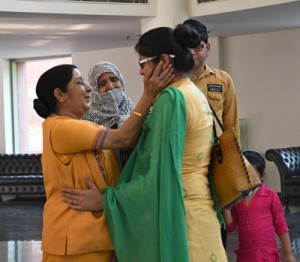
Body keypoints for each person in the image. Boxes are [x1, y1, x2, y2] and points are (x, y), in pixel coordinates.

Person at [61, 25, 228, 262]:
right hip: (200, 212)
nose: (140, 72)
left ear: (162, 61)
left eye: (142, 64)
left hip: (181, 215)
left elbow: (159, 175)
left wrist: (107, 200)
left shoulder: (171, 99)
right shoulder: (192, 91)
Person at [33, 63, 173, 261]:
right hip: (76, 242)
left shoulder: (84, 125)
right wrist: (148, 95)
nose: (89, 88)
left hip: (98, 237)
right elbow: (123, 138)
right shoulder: (60, 128)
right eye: (80, 83)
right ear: (60, 94)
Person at [183, 18, 240, 248]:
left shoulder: (222, 79)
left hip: (215, 162)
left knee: (217, 222)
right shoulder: (173, 82)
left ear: (208, 47)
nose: (193, 53)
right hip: (185, 164)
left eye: (198, 47)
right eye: (187, 48)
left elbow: (231, 125)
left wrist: (234, 168)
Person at [223, 150, 296, 262]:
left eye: (252, 174)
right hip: (245, 256)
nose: (247, 177)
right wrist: (227, 207)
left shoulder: (270, 195)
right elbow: (230, 227)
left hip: (268, 256)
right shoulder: (236, 197)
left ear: (262, 175)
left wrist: (288, 253)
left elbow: (281, 225)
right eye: (243, 172)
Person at [82, 61, 135, 168]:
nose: (110, 86)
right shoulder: (86, 119)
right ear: (95, 90)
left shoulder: (133, 109)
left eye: (114, 79)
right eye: (102, 84)